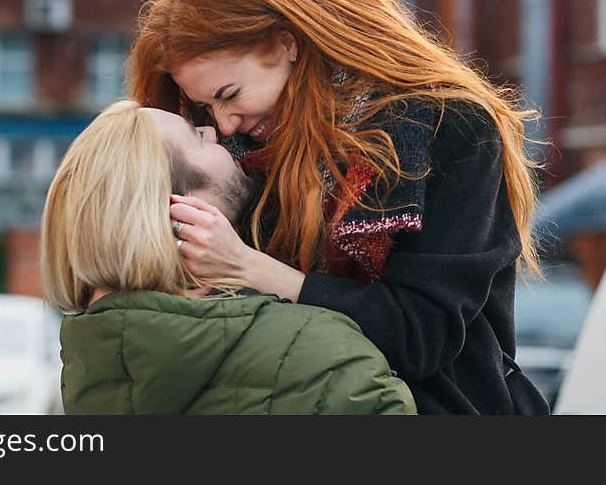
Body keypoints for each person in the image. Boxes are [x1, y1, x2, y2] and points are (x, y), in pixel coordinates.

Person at [128, 0, 551, 414]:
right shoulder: (242, 162)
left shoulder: (446, 126)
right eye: (207, 108)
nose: (224, 124)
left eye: (229, 94)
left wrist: (252, 268)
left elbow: (422, 337)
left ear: (286, 43)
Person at [39, 99, 416, 415]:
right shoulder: (327, 357)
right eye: (195, 137)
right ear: (182, 212)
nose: (212, 130)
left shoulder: (88, 367)